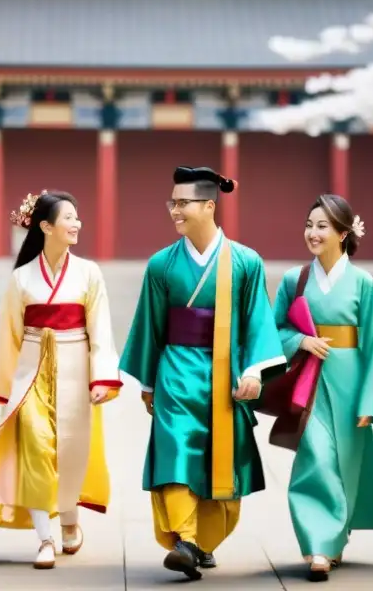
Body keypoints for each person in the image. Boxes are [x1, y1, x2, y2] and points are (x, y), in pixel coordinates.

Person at [118, 165, 287, 581]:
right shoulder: (161, 265)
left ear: (209, 205)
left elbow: (257, 323)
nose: (174, 211)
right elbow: (151, 324)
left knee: (220, 458)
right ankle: (186, 539)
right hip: (176, 369)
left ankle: (203, 542)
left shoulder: (246, 262)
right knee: (175, 452)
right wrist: (149, 381)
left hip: (226, 374)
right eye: (171, 203)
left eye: (182, 203)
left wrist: (253, 371)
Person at [0, 191, 122, 570]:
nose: (77, 224)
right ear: (46, 226)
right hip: (31, 374)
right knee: (34, 449)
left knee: (73, 449)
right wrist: (0, 384)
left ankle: (70, 520)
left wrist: (101, 376)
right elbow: (7, 334)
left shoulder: (89, 272)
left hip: (76, 367)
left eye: (78, 217)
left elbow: (101, 328)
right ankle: (44, 538)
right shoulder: (21, 278)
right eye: (69, 218)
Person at [272, 194, 373, 582]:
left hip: (350, 384)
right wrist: (299, 342)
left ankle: (335, 538)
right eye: (309, 225)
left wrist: (370, 399)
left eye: (322, 226)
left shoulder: (362, 282)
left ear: (343, 233)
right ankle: (318, 545)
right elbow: (272, 329)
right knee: (315, 459)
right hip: (308, 384)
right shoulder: (295, 280)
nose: (312, 233)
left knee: (345, 464)